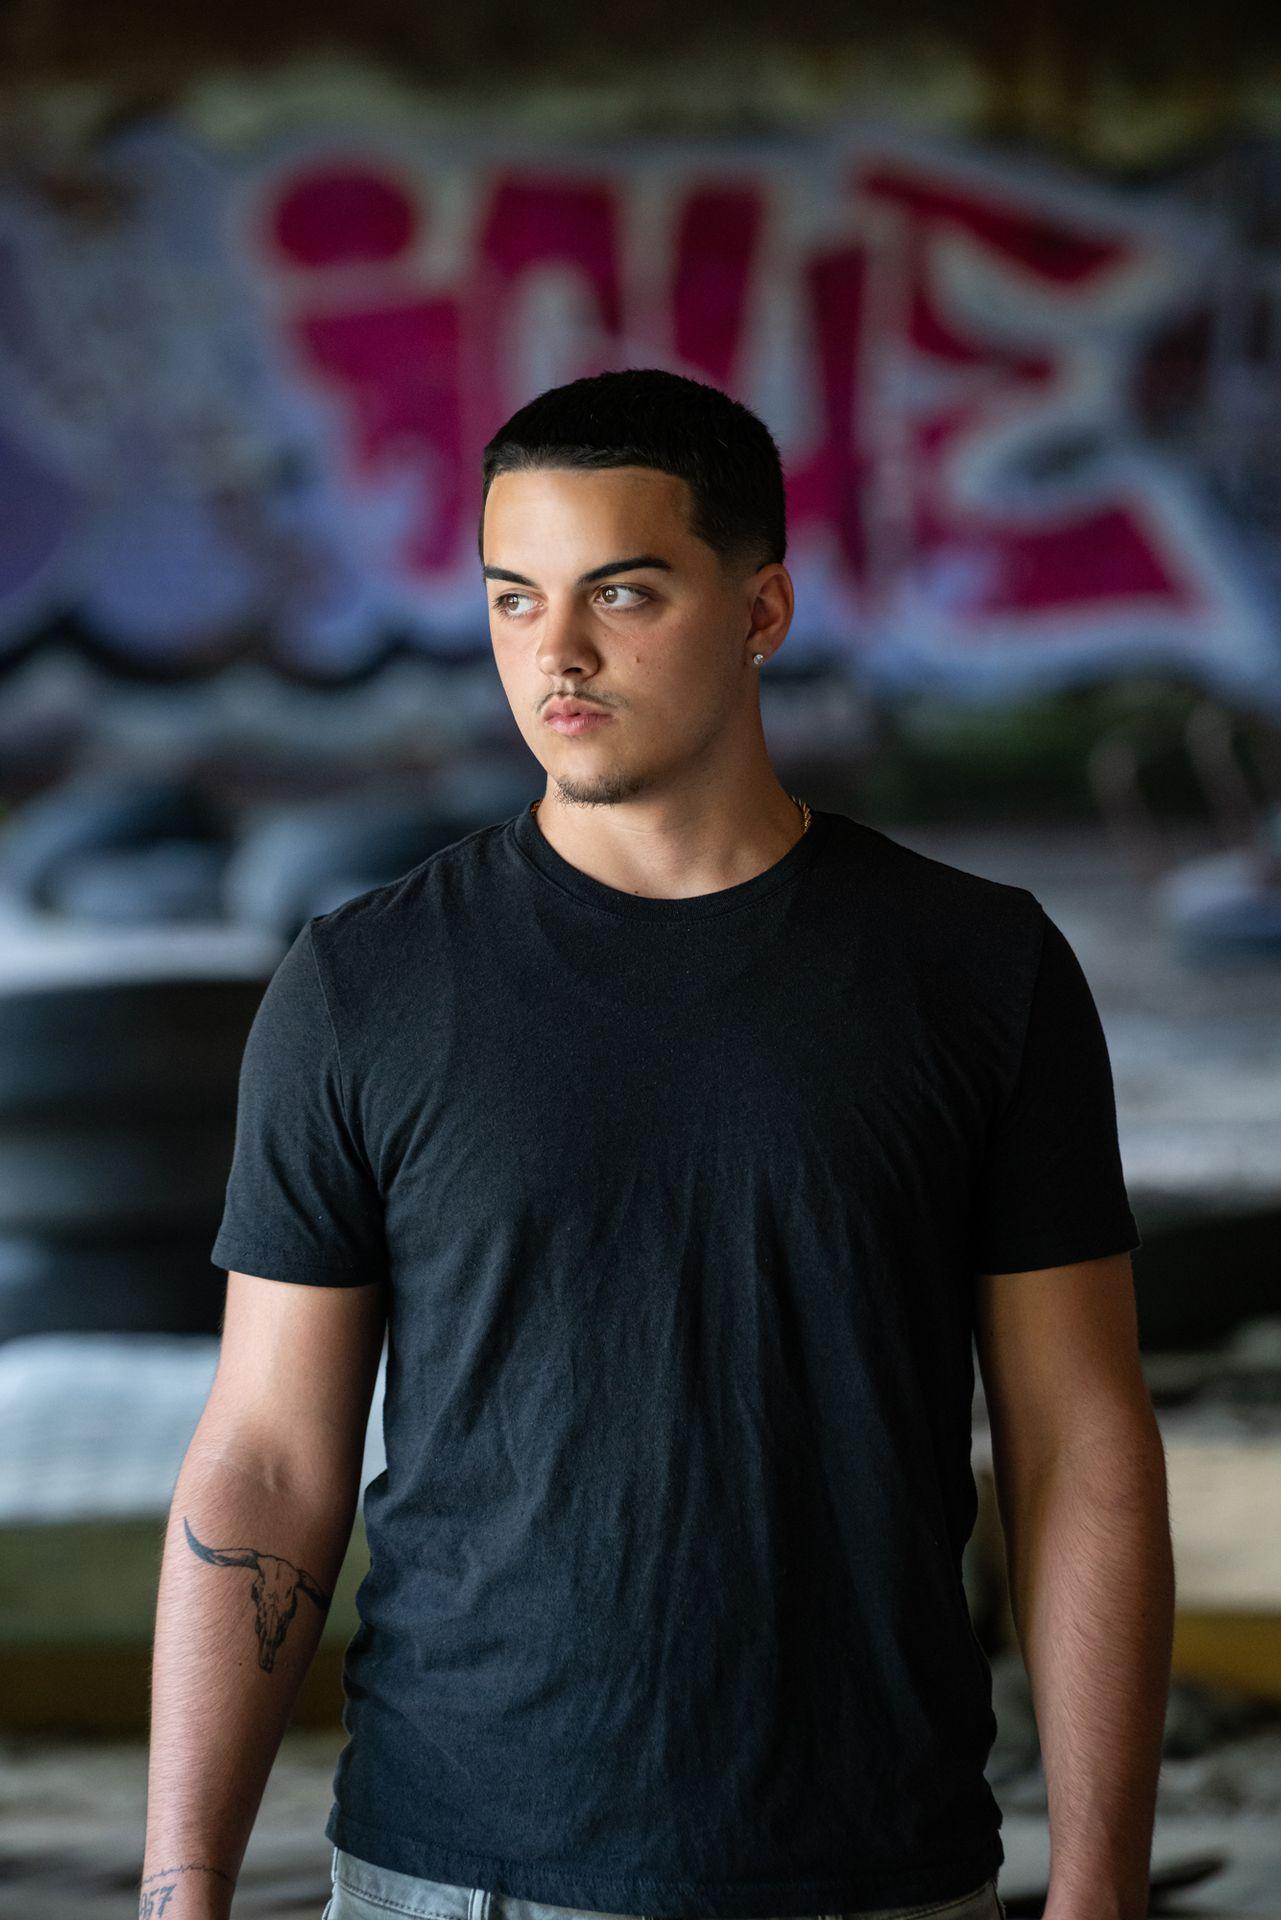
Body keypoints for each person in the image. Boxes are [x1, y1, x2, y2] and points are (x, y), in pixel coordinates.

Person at [142, 368, 1174, 1920]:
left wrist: (1099, 1885)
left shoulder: (980, 970)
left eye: (619, 594)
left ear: (759, 611)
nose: (552, 653)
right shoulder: (362, 985)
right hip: (450, 1873)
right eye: (512, 598)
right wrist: (179, 1884)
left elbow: (1078, 1444)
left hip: (869, 1870)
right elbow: (271, 1455)